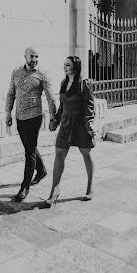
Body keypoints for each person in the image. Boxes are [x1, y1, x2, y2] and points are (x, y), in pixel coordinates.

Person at [5, 46, 56, 202]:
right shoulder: (16, 72)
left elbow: (50, 97)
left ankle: (24, 187)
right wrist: (8, 112)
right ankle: (41, 170)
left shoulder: (42, 75)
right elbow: (11, 93)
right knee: (30, 148)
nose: (34, 60)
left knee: (29, 152)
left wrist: (53, 117)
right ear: (25, 57)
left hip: (35, 117)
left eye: (36, 57)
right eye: (31, 56)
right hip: (20, 117)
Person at [46, 55, 96, 207]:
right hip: (66, 124)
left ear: (75, 67)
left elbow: (90, 107)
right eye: (64, 64)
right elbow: (62, 106)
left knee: (86, 154)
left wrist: (90, 126)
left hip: (80, 125)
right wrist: (55, 119)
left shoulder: (84, 84)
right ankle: (55, 189)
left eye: (68, 65)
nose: (65, 67)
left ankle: (90, 186)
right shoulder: (64, 82)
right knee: (59, 153)